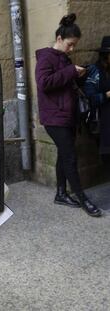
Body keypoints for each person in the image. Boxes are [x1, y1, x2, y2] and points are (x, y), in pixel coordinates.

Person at [35, 13, 102, 217]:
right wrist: (71, 71)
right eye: (70, 44)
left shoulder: (64, 59)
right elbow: (44, 83)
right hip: (54, 118)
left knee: (65, 155)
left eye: (74, 45)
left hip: (67, 116)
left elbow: (64, 84)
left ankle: (61, 193)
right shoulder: (46, 57)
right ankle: (83, 200)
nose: (72, 48)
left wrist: (81, 74)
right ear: (59, 39)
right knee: (70, 157)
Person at [83, 36, 110, 175]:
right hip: (103, 122)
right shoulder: (94, 71)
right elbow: (89, 99)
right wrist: (106, 95)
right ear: (106, 55)